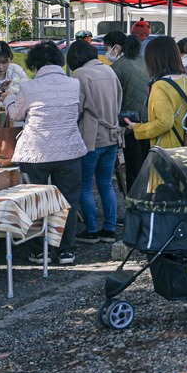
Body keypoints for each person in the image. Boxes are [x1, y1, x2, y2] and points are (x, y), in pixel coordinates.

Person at [5, 42, 87, 266]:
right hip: (69, 149)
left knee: (34, 200)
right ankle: (66, 251)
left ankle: (39, 251)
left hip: (36, 152)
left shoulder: (29, 88)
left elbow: (15, 115)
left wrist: (7, 99)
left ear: (34, 64)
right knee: (68, 201)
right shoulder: (74, 83)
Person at [68, 39, 123, 245]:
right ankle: (109, 229)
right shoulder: (109, 71)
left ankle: (91, 230)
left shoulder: (80, 74)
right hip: (112, 135)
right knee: (106, 183)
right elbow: (119, 101)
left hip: (91, 137)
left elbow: (78, 108)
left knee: (85, 185)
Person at [124, 36, 187, 149]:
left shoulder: (160, 86)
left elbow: (164, 122)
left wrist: (137, 127)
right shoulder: (186, 80)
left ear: (153, 59)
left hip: (168, 150)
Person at [104, 31, 150, 191]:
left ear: (116, 48)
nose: (106, 52)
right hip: (153, 122)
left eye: (107, 47)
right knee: (150, 168)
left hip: (131, 125)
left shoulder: (116, 68)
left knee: (134, 170)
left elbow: (111, 98)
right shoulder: (148, 62)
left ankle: (135, 209)